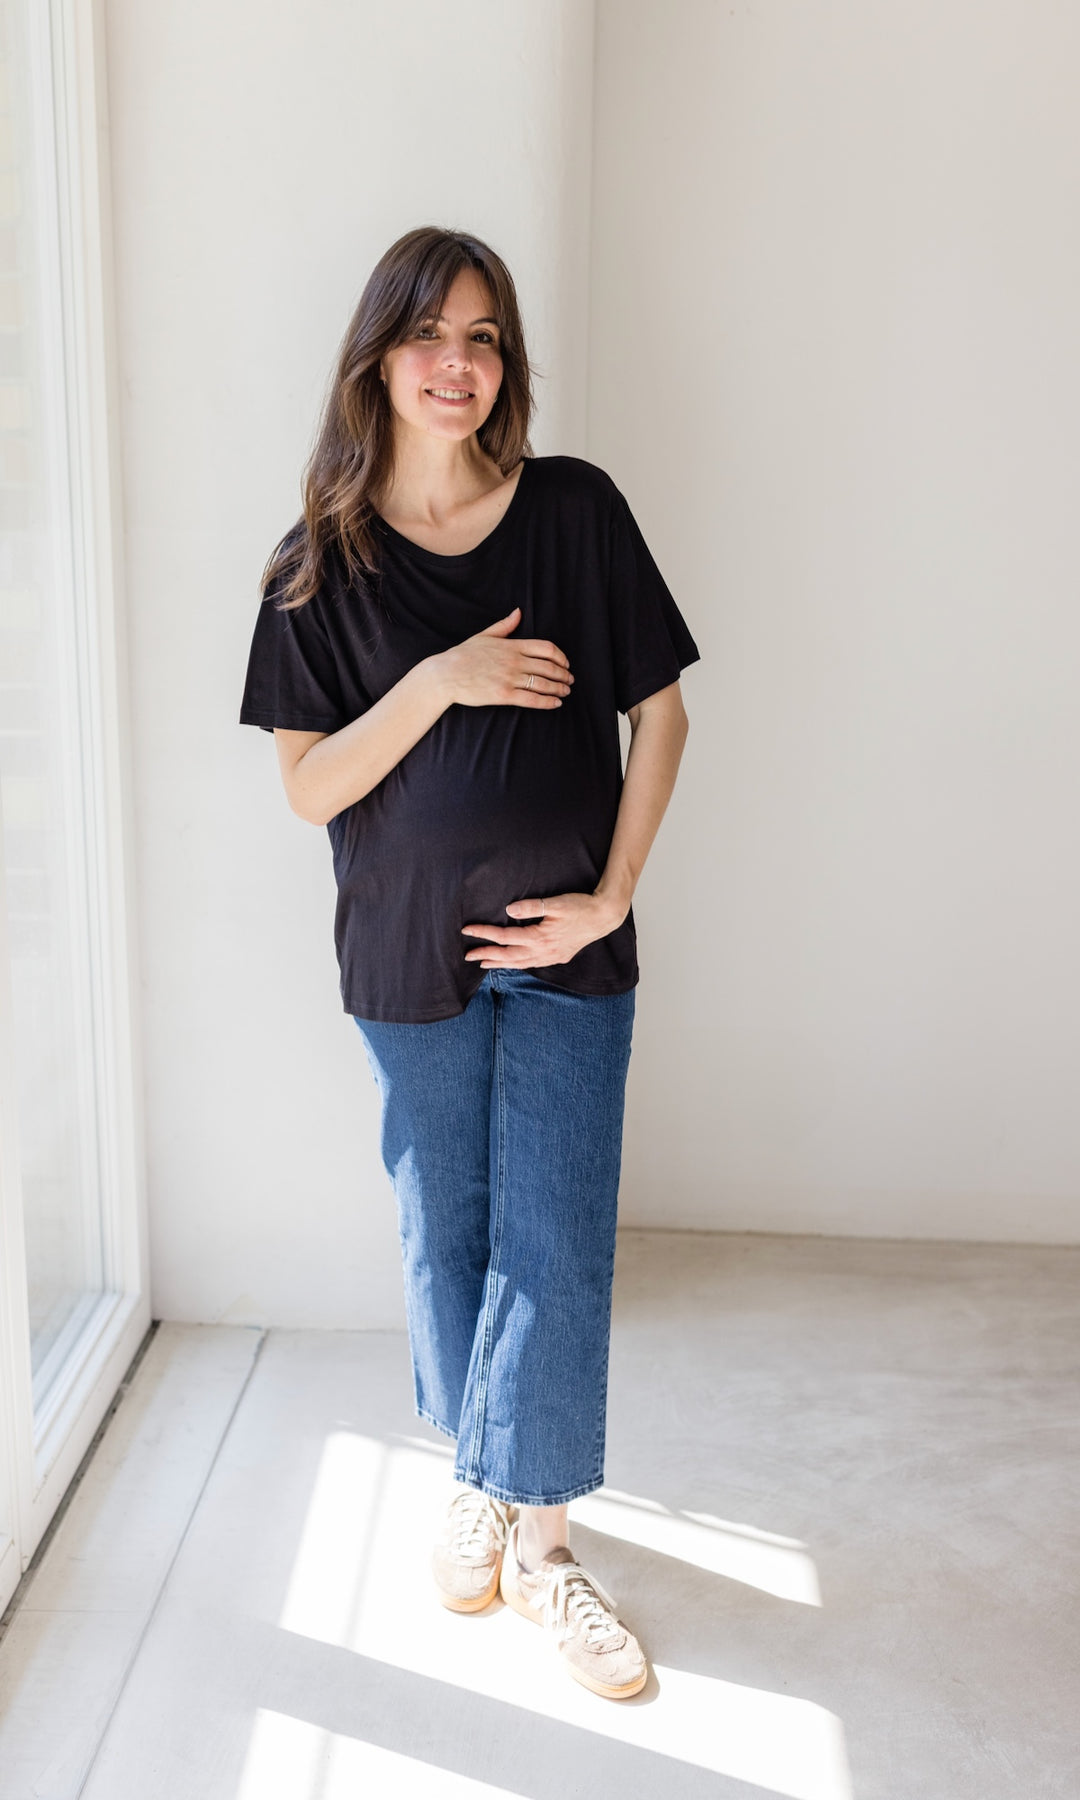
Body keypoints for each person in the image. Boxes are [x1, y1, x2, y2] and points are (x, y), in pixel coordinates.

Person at [239, 225, 700, 1702]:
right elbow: (310, 786)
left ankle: (546, 1549)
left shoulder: (573, 512)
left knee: (555, 1237)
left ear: (508, 364)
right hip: (401, 952)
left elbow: (662, 717)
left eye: (485, 335)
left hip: (567, 946)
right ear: (378, 358)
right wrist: (441, 681)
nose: (459, 361)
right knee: (449, 1235)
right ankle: (481, 1477)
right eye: (431, 333)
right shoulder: (320, 564)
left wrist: (608, 901)